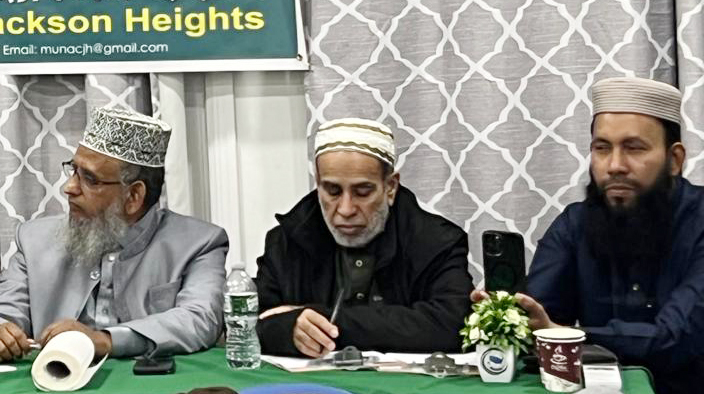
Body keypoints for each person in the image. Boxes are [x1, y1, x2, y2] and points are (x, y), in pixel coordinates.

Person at [0, 107, 228, 363]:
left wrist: (103, 340)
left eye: (90, 179)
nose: (69, 187)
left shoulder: (199, 244)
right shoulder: (33, 239)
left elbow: (199, 319)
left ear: (134, 196)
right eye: (73, 171)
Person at [501, 77, 704, 394]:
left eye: (634, 148)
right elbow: (537, 321)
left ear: (674, 160)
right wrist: (507, 317)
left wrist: (566, 337)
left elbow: (674, 339)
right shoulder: (574, 225)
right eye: (602, 148)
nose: (615, 165)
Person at [256, 118, 469, 358]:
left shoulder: (436, 241)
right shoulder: (287, 241)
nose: (346, 209)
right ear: (318, 185)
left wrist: (323, 320)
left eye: (362, 192)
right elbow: (250, 322)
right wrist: (288, 330)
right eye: (332, 191)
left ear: (390, 187)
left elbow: (454, 325)